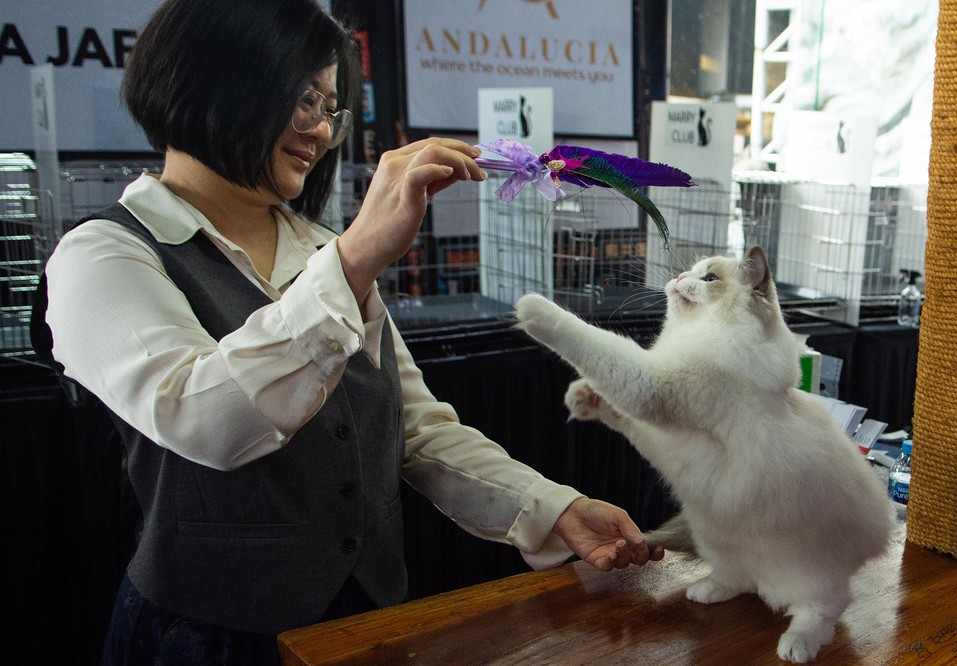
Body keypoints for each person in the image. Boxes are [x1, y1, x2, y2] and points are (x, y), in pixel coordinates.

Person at [38, 0, 664, 663]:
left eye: (329, 108)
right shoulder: (105, 255)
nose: (319, 129)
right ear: (212, 77)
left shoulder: (320, 252)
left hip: (361, 624)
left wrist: (551, 508)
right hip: (205, 639)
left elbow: (416, 430)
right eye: (304, 98)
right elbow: (204, 418)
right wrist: (357, 257)